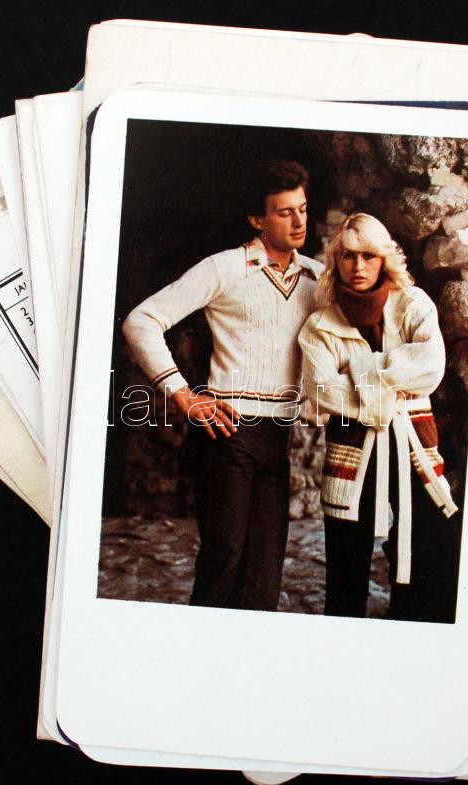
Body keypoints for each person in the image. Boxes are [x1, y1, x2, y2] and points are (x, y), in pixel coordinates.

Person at [122, 160, 323, 611]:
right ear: (257, 219)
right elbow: (141, 321)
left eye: (303, 209)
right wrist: (183, 395)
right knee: (223, 564)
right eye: (284, 212)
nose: (298, 221)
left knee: (264, 575)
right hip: (227, 433)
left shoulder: (317, 278)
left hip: (278, 435)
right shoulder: (225, 268)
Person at [298, 213, 460, 622]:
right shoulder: (320, 324)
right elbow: (321, 389)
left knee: (426, 546)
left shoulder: (412, 304)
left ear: (384, 258)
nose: (359, 266)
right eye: (348, 256)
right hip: (352, 448)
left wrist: (360, 369)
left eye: (369, 256)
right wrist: (391, 387)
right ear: (336, 261)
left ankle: (412, 629)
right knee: (345, 558)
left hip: (412, 442)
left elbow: (430, 368)